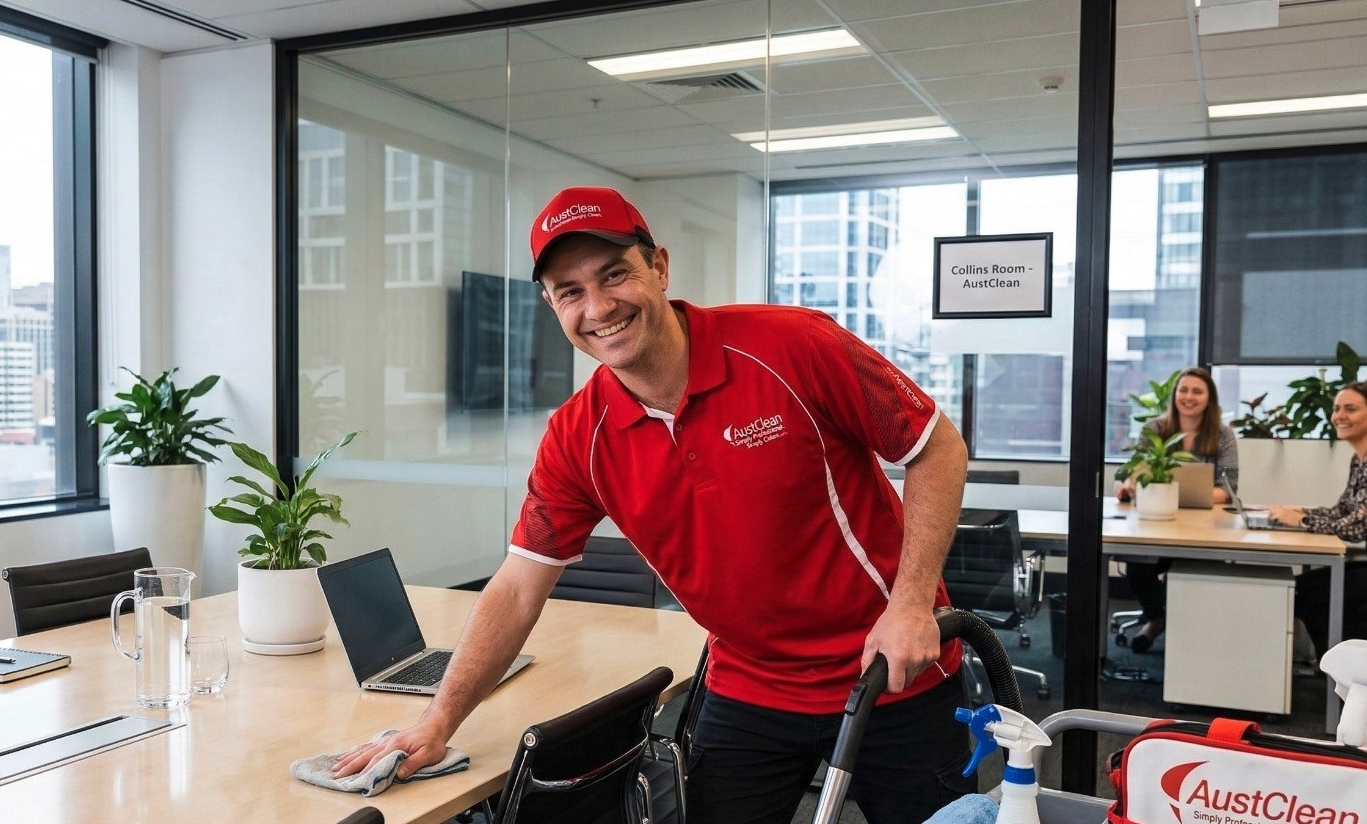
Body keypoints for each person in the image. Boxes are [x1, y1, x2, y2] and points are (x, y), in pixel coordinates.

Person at [331, 186, 974, 823]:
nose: (599, 307)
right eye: (570, 291)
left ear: (659, 267)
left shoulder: (793, 346)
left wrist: (911, 604)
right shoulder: (577, 436)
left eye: (615, 274)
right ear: (552, 305)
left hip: (889, 672)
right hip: (749, 686)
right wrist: (437, 720)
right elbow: (519, 586)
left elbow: (936, 446)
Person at [1114, 367, 1239, 653]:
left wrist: (1168, 492)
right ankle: (1157, 618)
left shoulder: (1223, 435)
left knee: (1198, 575)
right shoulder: (1154, 429)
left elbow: (1228, 489)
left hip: (1204, 529)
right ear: (1174, 395)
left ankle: (1188, 638)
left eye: (1197, 391)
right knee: (1137, 568)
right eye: (1184, 390)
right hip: (1156, 523)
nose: (1189, 397)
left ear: (1209, 398)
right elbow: (1136, 472)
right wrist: (1130, 487)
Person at [1269, 382, 1367, 657]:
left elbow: (1357, 527)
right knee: (1306, 590)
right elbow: (1342, 511)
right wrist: (1301, 513)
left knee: (1309, 592)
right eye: (1336, 409)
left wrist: (1302, 521)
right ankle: (1339, 667)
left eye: (1350, 409)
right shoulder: (1359, 460)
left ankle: (1344, 669)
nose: (1339, 416)